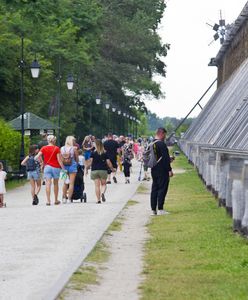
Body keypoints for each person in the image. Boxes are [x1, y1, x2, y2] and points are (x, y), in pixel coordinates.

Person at [35, 135, 64, 206]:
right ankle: (56, 200)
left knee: (48, 183)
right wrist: (63, 168)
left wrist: (41, 162)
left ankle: (48, 200)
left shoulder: (43, 148)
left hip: (47, 167)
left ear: (48, 140)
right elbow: (59, 160)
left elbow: (36, 157)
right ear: (54, 141)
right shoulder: (56, 148)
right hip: (56, 167)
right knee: (55, 183)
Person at [150, 128, 173, 216]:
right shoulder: (161, 144)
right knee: (162, 188)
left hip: (153, 169)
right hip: (162, 170)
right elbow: (166, 159)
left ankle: (153, 209)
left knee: (154, 189)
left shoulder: (151, 143)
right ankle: (160, 208)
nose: (165, 137)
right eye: (165, 135)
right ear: (161, 133)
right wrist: (169, 170)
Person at [86, 139, 115, 203]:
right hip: (103, 170)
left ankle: (98, 200)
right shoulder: (104, 153)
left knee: (97, 186)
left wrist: (87, 168)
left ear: (95, 145)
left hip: (94, 170)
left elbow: (90, 162)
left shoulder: (93, 153)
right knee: (104, 184)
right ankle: (102, 193)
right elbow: (108, 162)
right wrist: (112, 169)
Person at [60, 136, 79, 203]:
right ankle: (69, 199)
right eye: (73, 141)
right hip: (72, 166)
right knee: (71, 183)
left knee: (65, 183)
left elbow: (60, 159)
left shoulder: (61, 148)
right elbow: (77, 159)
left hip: (64, 167)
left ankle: (64, 198)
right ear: (71, 141)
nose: (74, 142)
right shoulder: (74, 149)